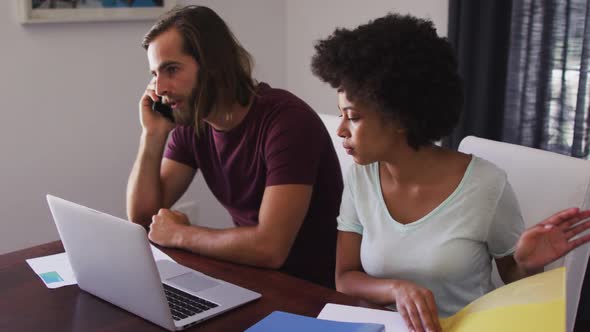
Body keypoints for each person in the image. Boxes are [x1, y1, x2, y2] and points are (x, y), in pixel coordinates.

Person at [311, 13, 590, 332]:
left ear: (401, 116)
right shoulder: (361, 177)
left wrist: (526, 265)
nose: (341, 130)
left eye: (354, 117)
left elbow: (518, 287)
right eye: (341, 116)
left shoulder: (486, 185)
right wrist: (396, 288)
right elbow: (345, 278)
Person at [126, 5, 343, 288]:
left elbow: (270, 248)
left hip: (312, 291)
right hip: (252, 278)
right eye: (155, 73)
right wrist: (152, 135)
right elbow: (143, 219)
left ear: (213, 64)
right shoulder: (193, 124)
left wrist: (181, 234)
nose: (160, 87)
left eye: (172, 69)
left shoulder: (288, 121)